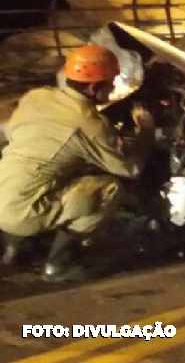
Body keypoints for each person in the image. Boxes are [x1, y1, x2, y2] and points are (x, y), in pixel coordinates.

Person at [0, 45, 154, 282]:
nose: (114, 87)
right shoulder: (89, 123)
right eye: (110, 82)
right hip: (22, 214)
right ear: (94, 87)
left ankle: (13, 251)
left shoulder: (36, 96)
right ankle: (58, 264)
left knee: (35, 177)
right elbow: (130, 168)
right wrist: (146, 130)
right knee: (108, 188)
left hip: (4, 196)